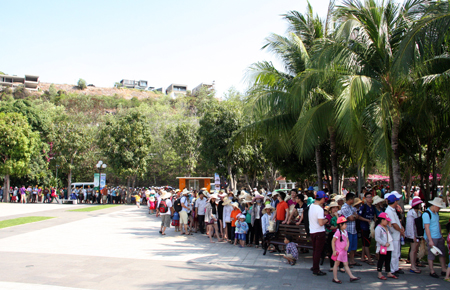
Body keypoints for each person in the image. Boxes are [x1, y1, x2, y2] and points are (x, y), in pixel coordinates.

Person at [423, 197, 448, 278]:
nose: (439, 209)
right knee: (432, 254)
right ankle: (432, 270)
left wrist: (441, 235)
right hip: (432, 237)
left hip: (438, 236)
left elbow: (438, 224)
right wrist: (430, 240)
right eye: (439, 207)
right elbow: (427, 227)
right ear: (434, 206)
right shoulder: (427, 214)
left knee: (442, 253)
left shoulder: (436, 214)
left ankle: (443, 269)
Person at [331, 216, 361, 284]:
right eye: (345, 224)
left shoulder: (345, 232)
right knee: (336, 264)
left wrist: (347, 246)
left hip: (344, 251)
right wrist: (334, 250)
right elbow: (333, 241)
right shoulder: (338, 232)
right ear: (340, 225)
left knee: (346, 264)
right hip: (339, 251)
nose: (346, 225)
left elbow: (347, 240)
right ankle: (335, 278)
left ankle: (351, 276)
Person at [309, 190, 328, 276]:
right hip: (319, 232)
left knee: (315, 250)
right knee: (318, 251)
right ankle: (316, 269)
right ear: (322, 198)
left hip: (312, 231)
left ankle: (314, 266)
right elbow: (321, 223)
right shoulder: (320, 209)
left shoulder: (311, 206)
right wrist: (327, 219)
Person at [385, 193, 404, 276]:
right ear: (394, 202)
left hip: (396, 234)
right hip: (393, 235)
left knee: (397, 253)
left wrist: (400, 228)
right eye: (396, 201)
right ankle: (392, 269)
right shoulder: (389, 211)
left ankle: (395, 268)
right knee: (394, 253)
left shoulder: (392, 210)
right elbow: (394, 224)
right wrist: (400, 230)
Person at [375, 212, 397, 280]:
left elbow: (390, 233)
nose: (387, 222)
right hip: (383, 247)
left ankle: (388, 271)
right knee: (381, 259)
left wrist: (389, 226)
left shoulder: (387, 227)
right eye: (386, 220)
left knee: (388, 259)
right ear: (382, 220)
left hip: (389, 246)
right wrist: (384, 243)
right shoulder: (378, 228)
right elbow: (377, 238)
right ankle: (379, 273)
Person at [340, 193, 360, 266]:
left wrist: (354, 216)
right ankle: (345, 261)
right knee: (347, 246)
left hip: (353, 229)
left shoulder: (352, 207)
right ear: (350, 199)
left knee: (353, 247)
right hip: (347, 229)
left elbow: (356, 216)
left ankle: (352, 260)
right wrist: (354, 216)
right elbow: (351, 218)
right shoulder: (344, 208)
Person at [405, 198, 422, 274]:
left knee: (416, 249)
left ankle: (414, 263)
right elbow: (410, 225)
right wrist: (412, 236)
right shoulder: (411, 213)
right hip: (413, 234)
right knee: (413, 249)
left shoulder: (419, 213)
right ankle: (412, 265)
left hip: (417, 233)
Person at [358, 192, 375, 265]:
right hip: (364, 227)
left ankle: (363, 257)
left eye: (371, 197)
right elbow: (359, 216)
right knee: (366, 243)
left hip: (370, 227)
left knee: (366, 242)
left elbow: (374, 215)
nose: (370, 199)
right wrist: (367, 220)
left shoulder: (373, 207)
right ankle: (369, 258)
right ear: (365, 198)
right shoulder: (363, 207)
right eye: (368, 197)